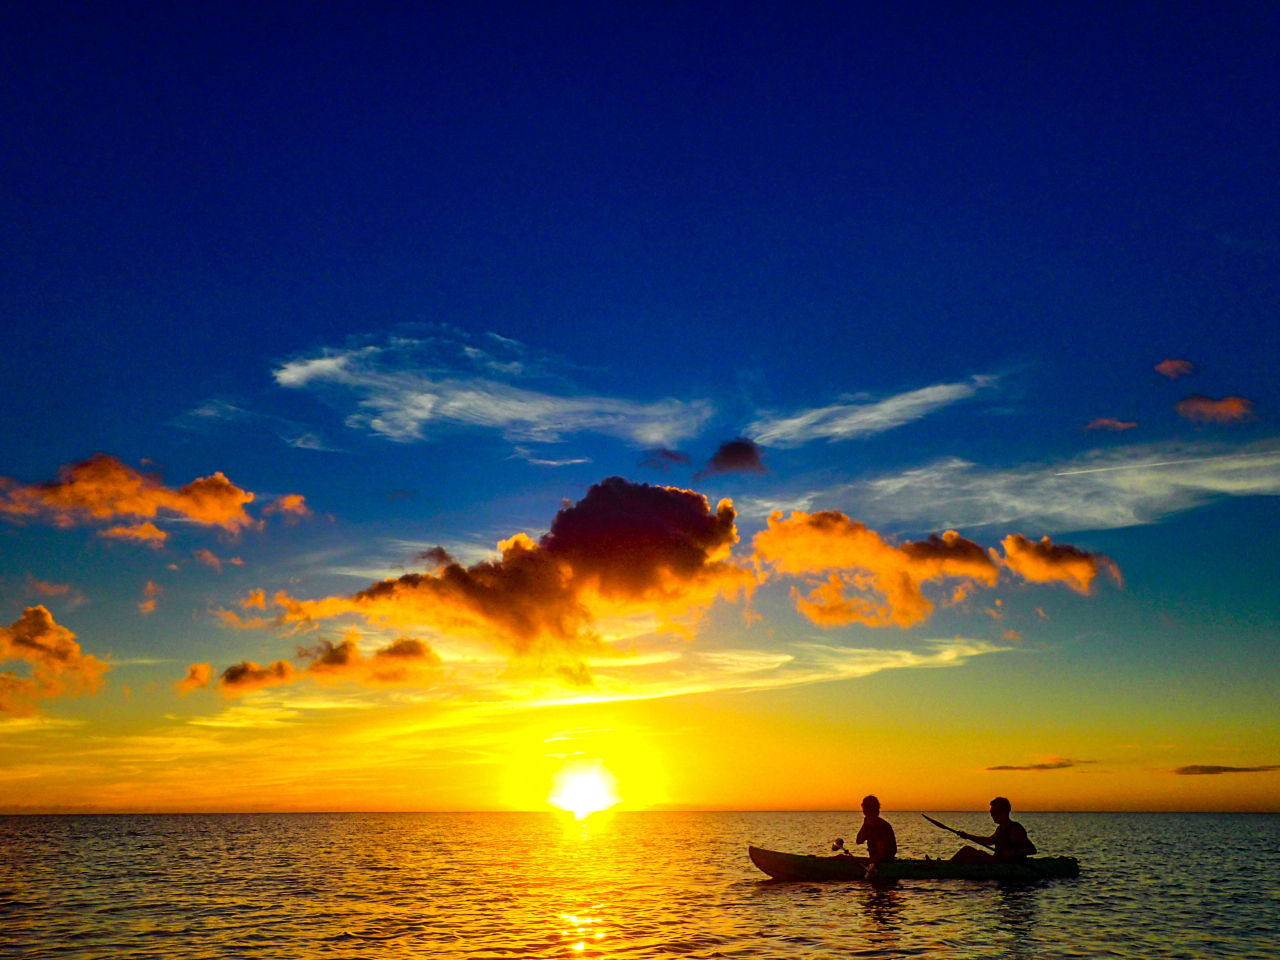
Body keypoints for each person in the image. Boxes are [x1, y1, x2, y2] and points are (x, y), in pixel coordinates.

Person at [950, 797, 1037, 863]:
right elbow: (989, 841)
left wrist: (1012, 852)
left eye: (994, 813)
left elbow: (1031, 849)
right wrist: (968, 836)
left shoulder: (1014, 829)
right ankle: (948, 866)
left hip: (1006, 864)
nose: (991, 815)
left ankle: (947, 869)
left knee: (975, 855)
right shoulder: (1000, 828)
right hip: (997, 860)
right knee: (967, 850)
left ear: (1003, 812)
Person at [851, 795, 897, 875]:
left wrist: (867, 862)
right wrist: (866, 824)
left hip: (883, 862)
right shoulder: (869, 823)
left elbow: (881, 853)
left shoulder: (879, 825)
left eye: (864, 806)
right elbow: (859, 840)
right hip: (876, 860)